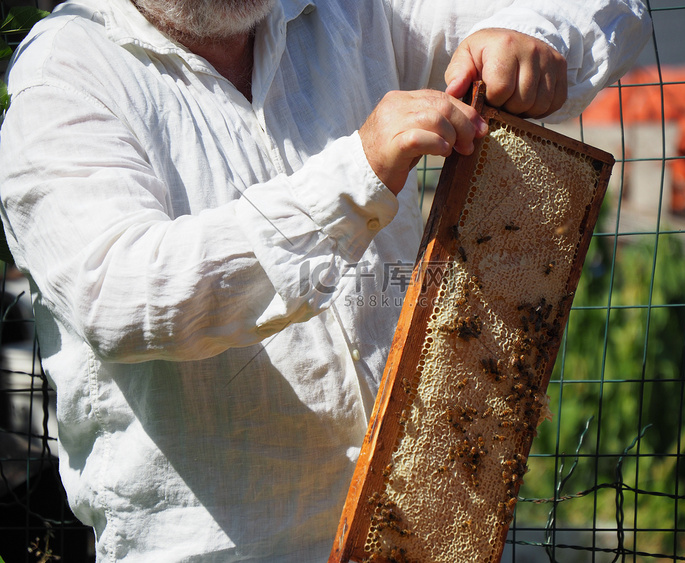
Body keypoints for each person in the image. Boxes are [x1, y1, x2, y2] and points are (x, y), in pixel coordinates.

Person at [0, 0, 651, 561]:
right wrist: (355, 173)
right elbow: (122, 292)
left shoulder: (351, 11)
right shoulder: (66, 71)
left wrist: (535, 36)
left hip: (429, 532)